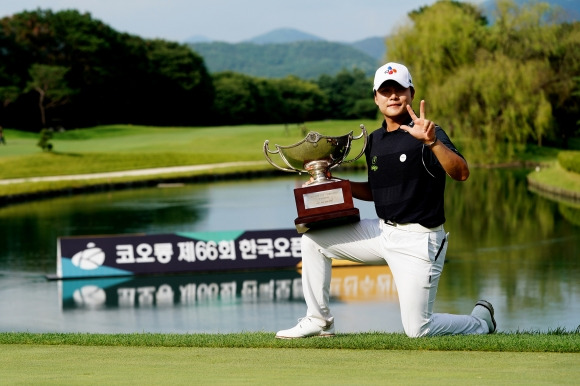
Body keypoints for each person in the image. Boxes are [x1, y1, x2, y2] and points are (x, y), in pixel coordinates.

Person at [276, 62, 496, 339]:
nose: (393, 96)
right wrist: (336, 183)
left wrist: (432, 143)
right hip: (382, 232)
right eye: (386, 90)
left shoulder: (429, 132)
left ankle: (480, 322)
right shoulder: (374, 141)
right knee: (314, 241)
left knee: (418, 329)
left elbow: (461, 173)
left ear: (411, 94)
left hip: (420, 240)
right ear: (376, 98)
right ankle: (319, 321)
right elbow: (377, 190)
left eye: (399, 90)